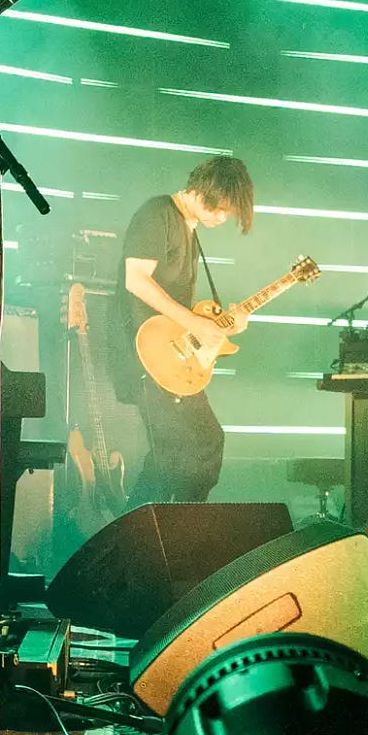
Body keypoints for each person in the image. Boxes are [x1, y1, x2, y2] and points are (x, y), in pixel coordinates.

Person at [115, 158, 254, 505]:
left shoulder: (189, 229)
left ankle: (177, 529)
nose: (221, 218)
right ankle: (149, 536)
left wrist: (221, 322)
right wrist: (196, 324)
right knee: (176, 453)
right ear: (200, 189)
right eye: (218, 207)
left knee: (202, 445)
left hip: (174, 357)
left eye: (228, 212)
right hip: (145, 354)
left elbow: (181, 308)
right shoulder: (157, 214)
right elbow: (136, 280)